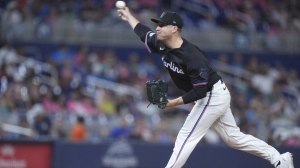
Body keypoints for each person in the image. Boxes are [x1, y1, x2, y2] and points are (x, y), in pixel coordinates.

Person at [117, 7, 294, 168]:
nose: (158, 28)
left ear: (174, 29)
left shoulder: (192, 56)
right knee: (233, 138)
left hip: (211, 95)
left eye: (162, 25)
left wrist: (172, 103)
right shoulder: (161, 43)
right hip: (213, 94)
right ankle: (279, 159)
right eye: (158, 24)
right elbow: (143, 33)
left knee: (185, 137)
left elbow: (200, 90)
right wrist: (129, 16)